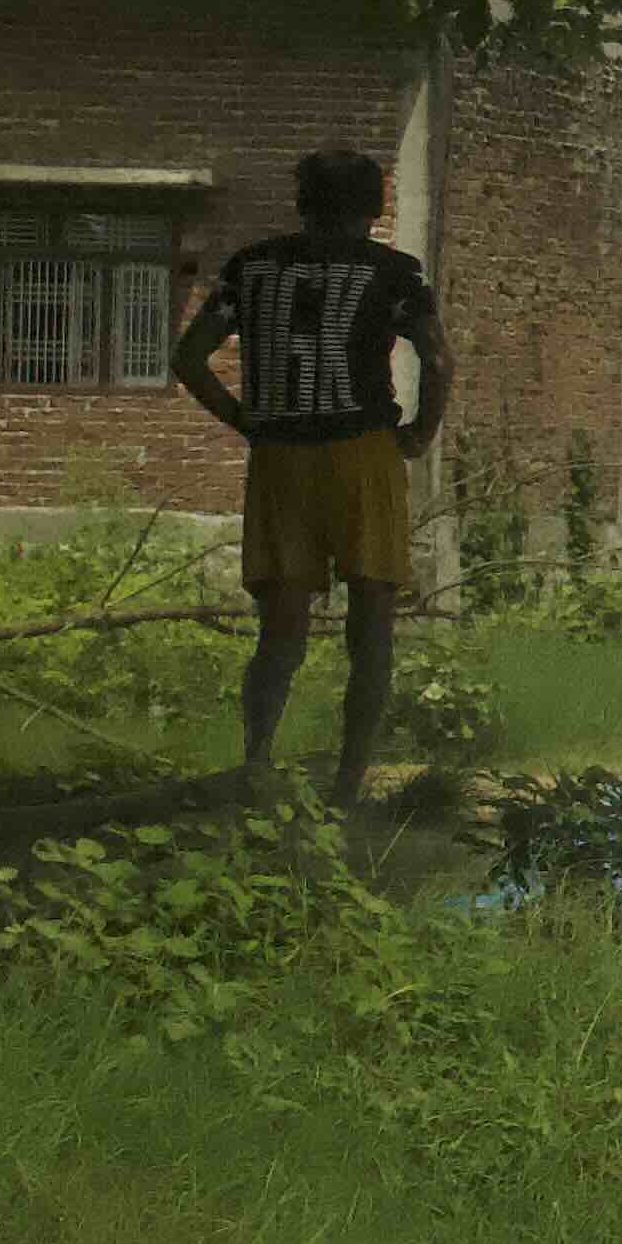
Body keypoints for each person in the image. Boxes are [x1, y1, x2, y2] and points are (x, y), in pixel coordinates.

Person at [177, 145, 444, 797]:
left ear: (303, 204)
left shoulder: (253, 268)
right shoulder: (394, 273)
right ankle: (349, 782)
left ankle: (257, 764)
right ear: (374, 208)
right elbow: (436, 359)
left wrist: (247, 420)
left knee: (281, 629)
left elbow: (190, 358)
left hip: (281, 461)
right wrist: (418, 434)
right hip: (363, 454)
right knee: (371, 623)